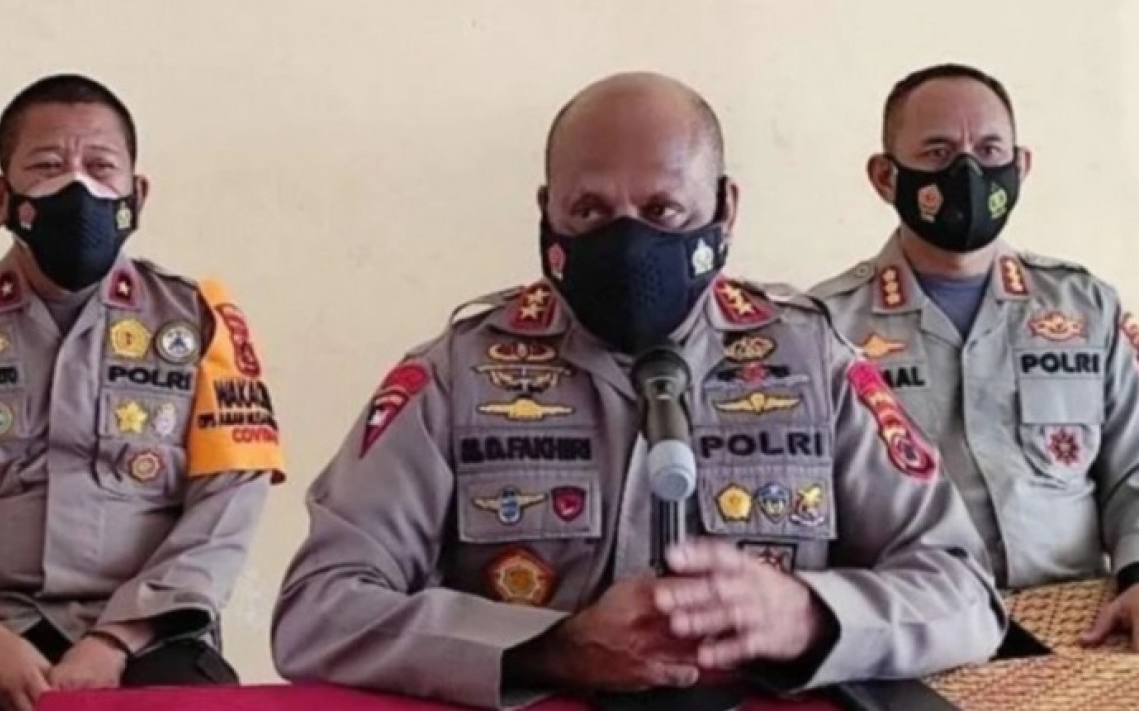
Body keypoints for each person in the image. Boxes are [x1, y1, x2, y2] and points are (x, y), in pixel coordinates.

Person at [271, 72, 1004, 710]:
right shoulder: (456, 373)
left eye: (662, 211)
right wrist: (547, 646)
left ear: (724, 207)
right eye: (589, 211)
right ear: (545, 210)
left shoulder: (814, 360)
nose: (626, 243)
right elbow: (318, 609)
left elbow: (964, 594)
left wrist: (812, 617)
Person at [0, 74, 285, 711]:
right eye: (47, 166)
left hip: (148, 634)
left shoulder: (200, 325)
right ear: (0, 197)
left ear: (136, 195)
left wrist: (116, 639)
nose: (78, 187)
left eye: (100, 166)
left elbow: (228, 507)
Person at [810, 63, 1139, 650]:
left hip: (1081, 627)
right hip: (910, 633)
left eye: (989, 150)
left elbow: (1133, 467)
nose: (969, 172)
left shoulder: (1085, 306)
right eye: (938, 153)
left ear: (1021, 166)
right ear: (885, 177)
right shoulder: (825, 329)